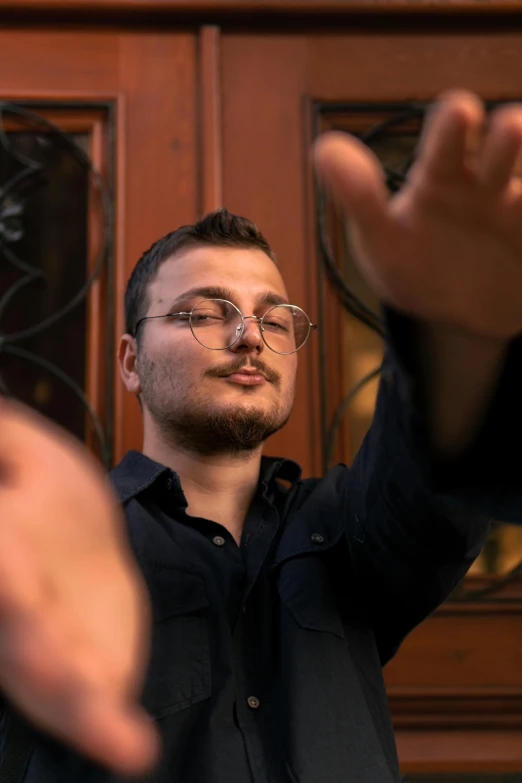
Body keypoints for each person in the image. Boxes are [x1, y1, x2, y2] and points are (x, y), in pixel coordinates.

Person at [0, 88, 521, 781]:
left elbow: (438, 465)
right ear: (130, 360)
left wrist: (455, 339)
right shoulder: (46, 543)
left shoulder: (349, 529)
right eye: (204, 313)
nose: (250, 335)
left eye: (276, 320)